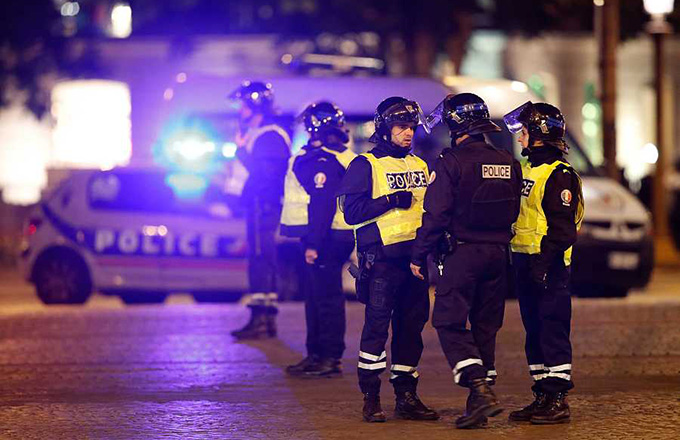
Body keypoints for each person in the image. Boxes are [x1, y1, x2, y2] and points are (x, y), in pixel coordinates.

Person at [410, 93, 522, 429]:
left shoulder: (451, 161)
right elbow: (514, 209)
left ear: (455, 125)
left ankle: (478, 386)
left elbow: (436, 214)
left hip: (462, 254)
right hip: (498, 256)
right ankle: (479, 405)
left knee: (448, 322)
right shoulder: (507, 160)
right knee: (486, 327)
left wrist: (419, 254)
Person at [338, 97, 439, 423]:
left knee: (411, 330)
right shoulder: (365, 165)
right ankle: (371, 398)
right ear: (384, 128)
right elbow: (352, 213)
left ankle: (406, 396)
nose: (408, 133)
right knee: (376, 331)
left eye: (411, 127)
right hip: (381, 262)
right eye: (401, 127)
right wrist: (391, 200)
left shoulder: (419, 164)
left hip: (415, 263)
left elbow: (428, 212)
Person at [503, 101, 584, 425]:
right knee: (534, 332)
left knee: (552, 331)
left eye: (524, 132)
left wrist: (543, 263)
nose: (519, 138)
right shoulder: (528, 170)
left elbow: (563, 230)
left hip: (548, 266)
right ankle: (542, 396)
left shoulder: (559, 175)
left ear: (538, 135)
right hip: (526, 262)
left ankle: (558, 399)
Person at [280, 101, 356, 377]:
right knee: (315, 297)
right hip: (331, 235)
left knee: (325, 299)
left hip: (326, 237)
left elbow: (322, 204)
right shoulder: (338, 155)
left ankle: (329, 357)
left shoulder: (324, 160)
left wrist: (313, 244)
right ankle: (316, 354)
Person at [228, 81, 291, 340]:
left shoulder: (270, 135)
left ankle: (262, 320)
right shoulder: (259, 133)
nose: (240, 110)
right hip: (258, 205)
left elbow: (267, 175)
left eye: (243, 105)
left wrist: (241, 153)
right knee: (259, 259)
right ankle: (263, 318)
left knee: (261, 259)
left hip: (263, 206)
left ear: (255, 105)